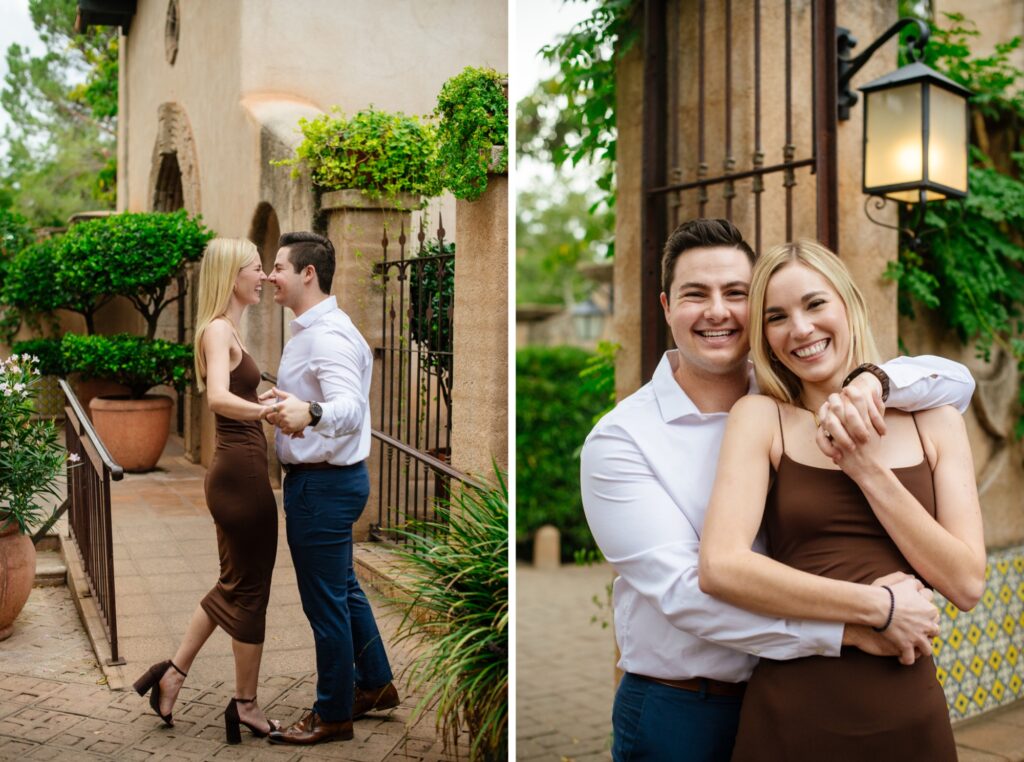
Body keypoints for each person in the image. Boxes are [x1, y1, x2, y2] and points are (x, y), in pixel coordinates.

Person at [579, 219, 977, 762]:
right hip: (685, 704)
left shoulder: (790, 395)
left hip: (837, 686)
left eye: (736, 294)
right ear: (668, 307)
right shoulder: (625, 439)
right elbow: (691, 591)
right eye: (697, 295)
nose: (718, 311)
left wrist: (875, 381)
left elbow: (954, 379)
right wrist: (865, 617)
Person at [698, 240, 985, 760]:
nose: (800, 329)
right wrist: (877, 609)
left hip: (907, 709)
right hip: (792, 711)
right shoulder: (761, 419)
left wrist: (865, 469)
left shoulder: (935, 422)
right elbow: (721, 566)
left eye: (814, 304)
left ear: (849, 301)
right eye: (776, 317)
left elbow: (966, 583)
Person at [133, 238, 281, 744]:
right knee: (250, 591)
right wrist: (263, 412)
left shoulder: (225, 328)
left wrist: (261, 398)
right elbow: (218, 397)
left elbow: (234, 391)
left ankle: (171, 674)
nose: (263, 276)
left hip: (238, 470)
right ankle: (245, 706)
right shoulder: (219, 330)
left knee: (234, 584)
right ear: (232, 274)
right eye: (256, 268)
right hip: (240, 474)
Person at [257, 231, 398, 746]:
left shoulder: (327, 335)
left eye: (278, 266)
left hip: (321, 488)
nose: (271, 276)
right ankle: (376, 684)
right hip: (335, 481)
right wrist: (294, 401)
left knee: (325, 605)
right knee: (343, 590)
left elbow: (350, 408)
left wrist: (310, 411)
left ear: (307, 273)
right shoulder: (319, 329)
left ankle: (332, 714)